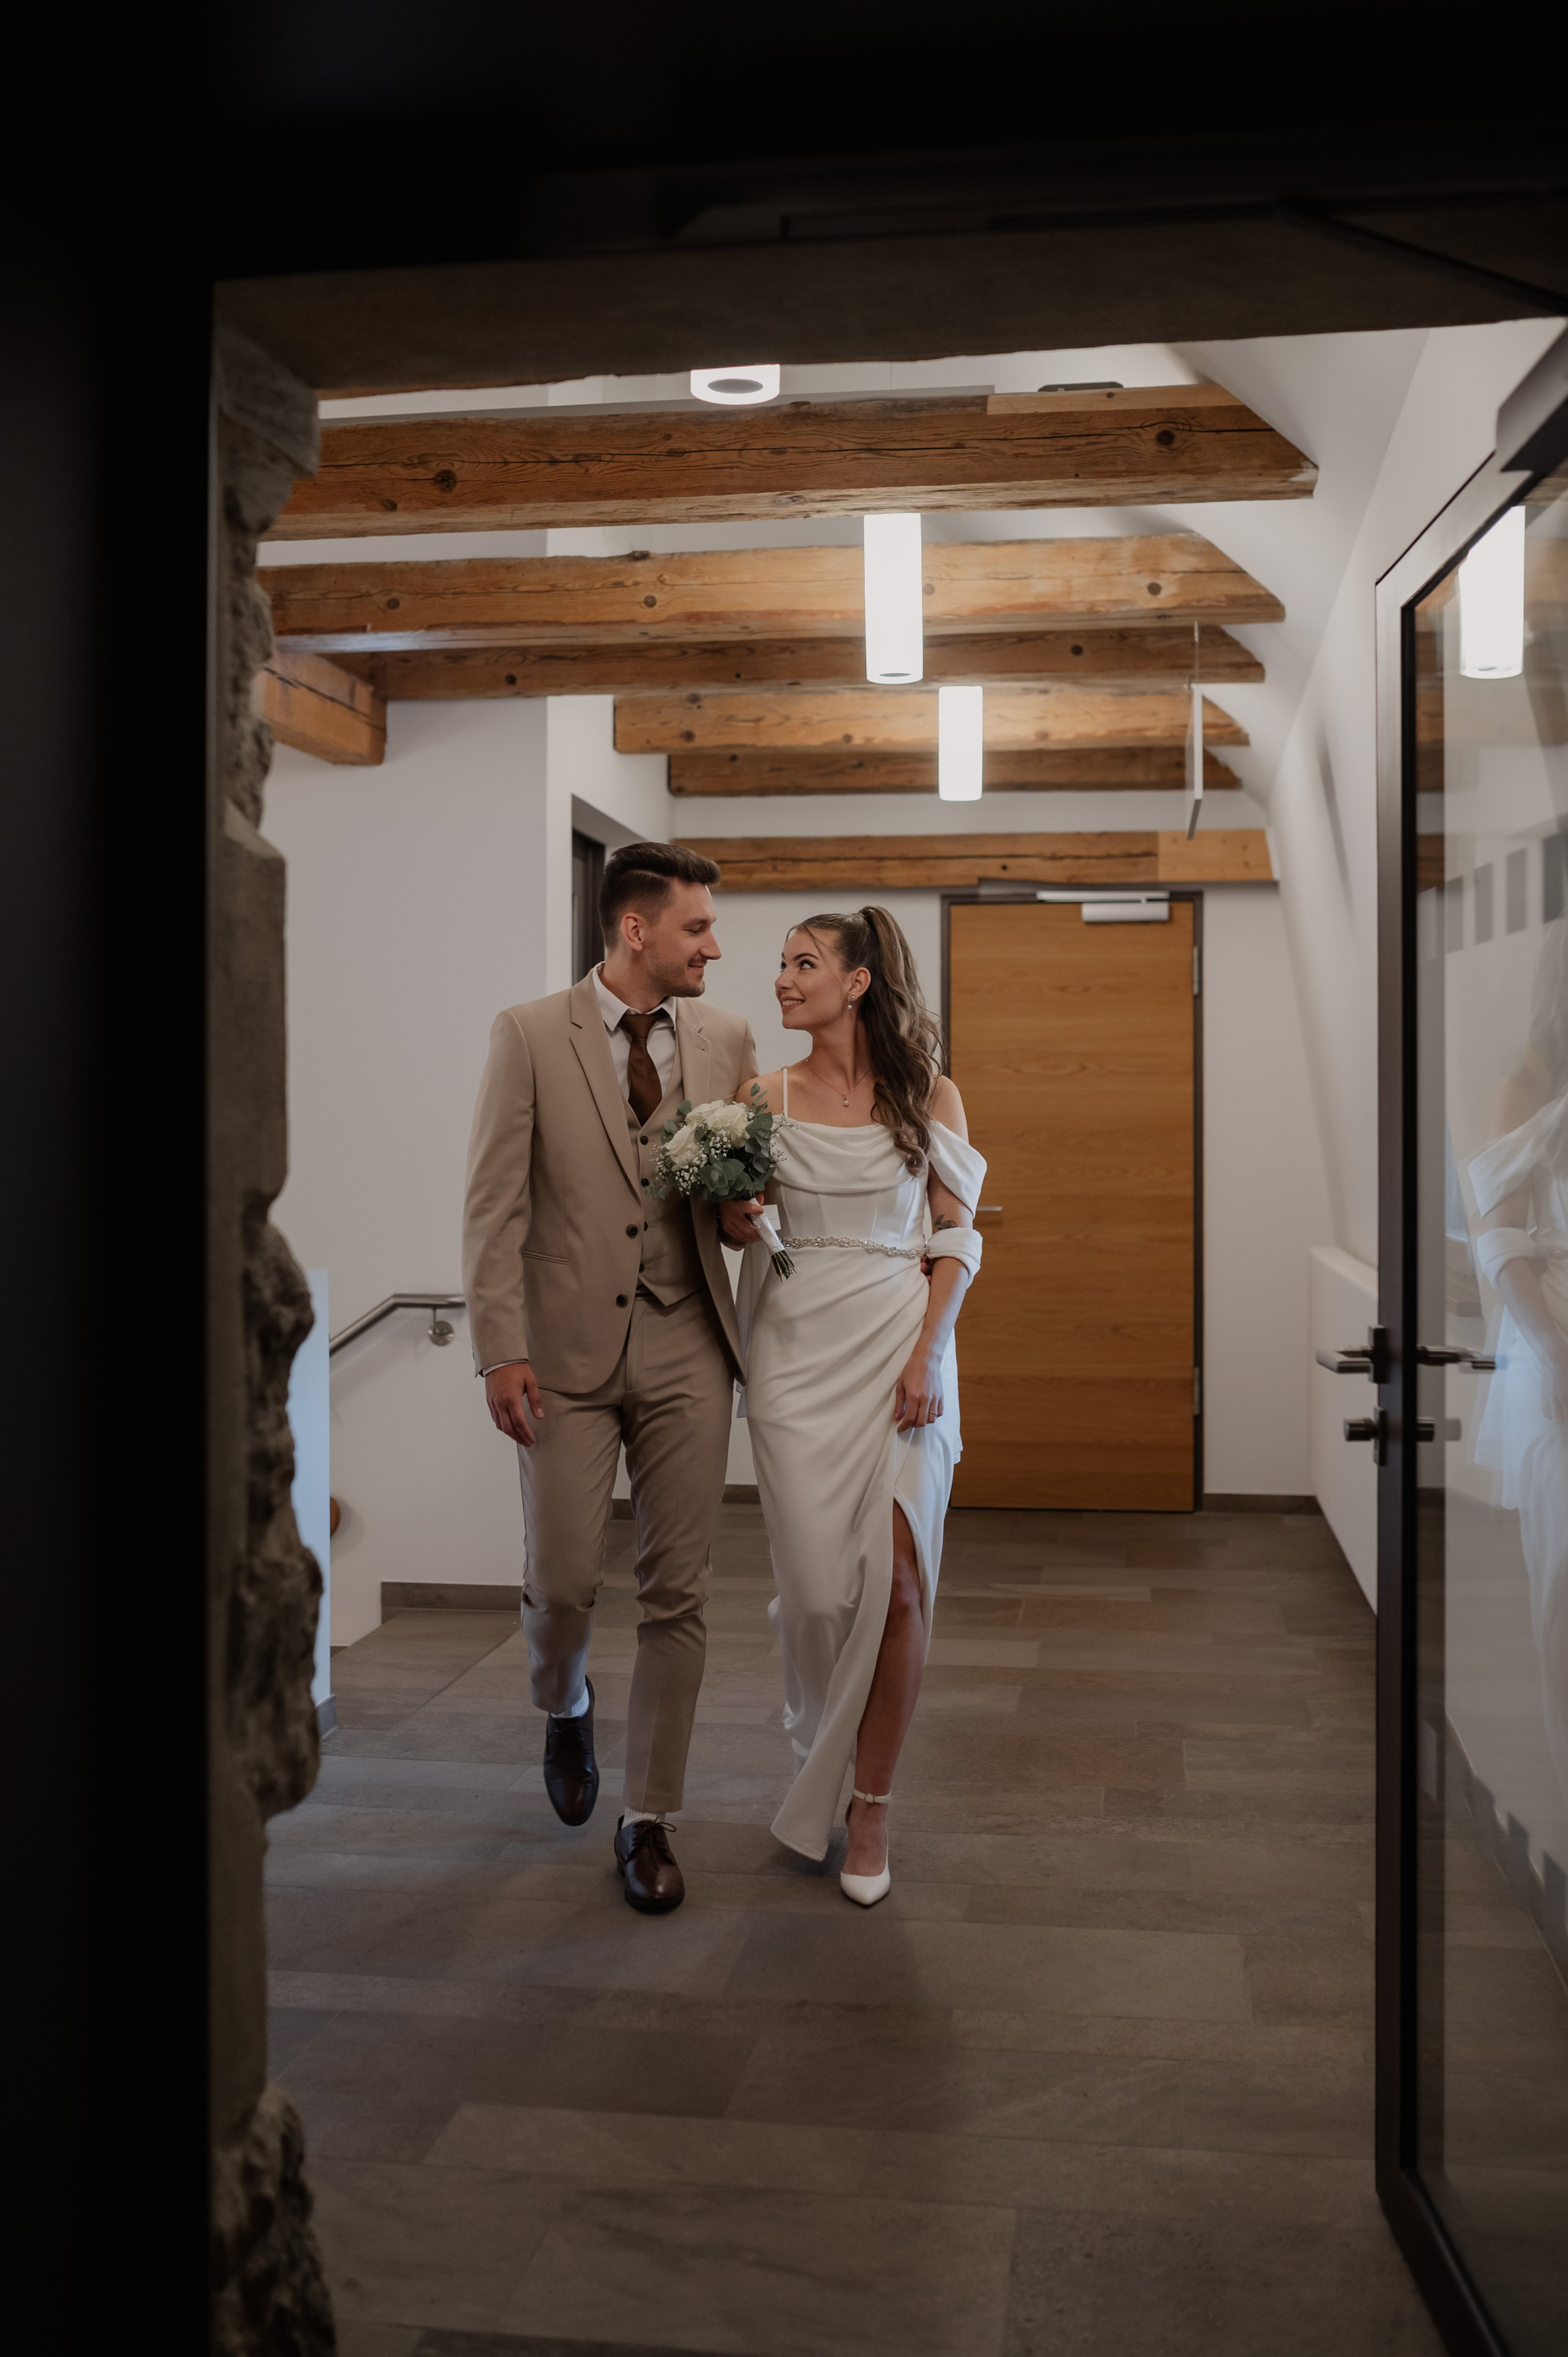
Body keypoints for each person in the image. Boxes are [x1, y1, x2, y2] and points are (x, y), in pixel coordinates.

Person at [462, 841, 758, 1913]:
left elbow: (730, 1192)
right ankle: (565, 1694)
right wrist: (501, 1346)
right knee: (569, 1580)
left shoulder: (727, 1040)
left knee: (679, 1593)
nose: (715, 949)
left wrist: (739, 1210)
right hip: (563, 1355)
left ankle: (650, 1818)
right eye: (697, 929)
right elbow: (494, 1203)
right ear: (636, 929)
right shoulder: (531, 1034)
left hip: (688, 1342)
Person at [721, 907, 984, 1904]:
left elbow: (956, 1240)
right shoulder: (761, 1094)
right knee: (823, 1597)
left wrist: (930, 1354)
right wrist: (736, 1214)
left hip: (903, 1346)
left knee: (901, 1578)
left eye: (804, 964)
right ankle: (818, 1749)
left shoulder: (929, 1093)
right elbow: (735, 1222)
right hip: (792, 1355)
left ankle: (871, 1803)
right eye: (781, 965)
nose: (783, 980)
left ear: (859, 981)